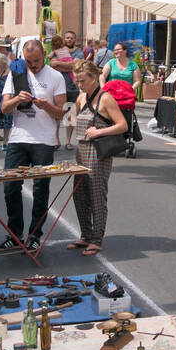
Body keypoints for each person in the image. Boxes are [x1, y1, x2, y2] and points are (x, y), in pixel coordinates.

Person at [0, 39, 67, 254]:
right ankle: (15, 234)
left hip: (44, 140)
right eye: (28, 61)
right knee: (10, 186)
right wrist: (17, 99)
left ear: (44, 55)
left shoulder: (55, 77)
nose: (32, 65)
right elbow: (4, 108)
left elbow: (61, 112)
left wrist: (47, 106)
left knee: (40, 188)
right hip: (18, 137)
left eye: (36, 61)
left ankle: (35, 235)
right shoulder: (16, 73)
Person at [66, 59, 128, 256]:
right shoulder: (81, 98)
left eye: (82, 81)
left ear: (94, 78)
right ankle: (85, 234)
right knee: (80, 194)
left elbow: (123, 125)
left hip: (98, 152)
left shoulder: (106, 98)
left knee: (96, 194)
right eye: (77, 81)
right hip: (81, 151)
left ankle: (96, 238)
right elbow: (75, 118)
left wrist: (99, 132)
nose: (79, 85)